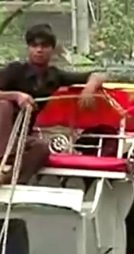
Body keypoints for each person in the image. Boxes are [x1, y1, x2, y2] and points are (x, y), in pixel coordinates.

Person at [0, 24, 106, 185]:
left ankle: (10, 181)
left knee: (42, 147)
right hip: (3, 135)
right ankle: (3, 156)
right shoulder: (15, 70)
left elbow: (98, 74)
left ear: (52, 49)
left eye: (44, 46)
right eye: (34, 45)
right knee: (4, 105)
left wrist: (89, 88)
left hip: (20, 139)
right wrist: (16, 96)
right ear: (28, 48)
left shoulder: (53, 76)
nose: (39, 50)